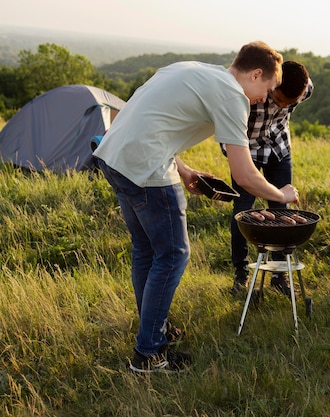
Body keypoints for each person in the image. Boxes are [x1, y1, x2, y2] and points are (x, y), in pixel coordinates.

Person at [92, 41, 300, 373]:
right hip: (146, 169)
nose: (266, 97)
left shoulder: (191, 69)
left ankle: (155, 332)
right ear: (256, 74)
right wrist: (282, 194)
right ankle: (149, 354)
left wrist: (185, 170)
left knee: (146, 251)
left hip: (114, 159)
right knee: (174, 254)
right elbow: (244, 174)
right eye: (267, 88)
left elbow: (148, 120)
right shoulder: (234, 97)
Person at [223, 60, 314, 296]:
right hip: (247, 152)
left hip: (279, 150)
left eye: (289, 104)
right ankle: (241, 275)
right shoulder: (250, 92)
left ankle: (279, 274)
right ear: (274, 83)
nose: (282, 106)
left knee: (282, 212)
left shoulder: (305, 89)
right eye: (279, 99)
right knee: (242, 212)